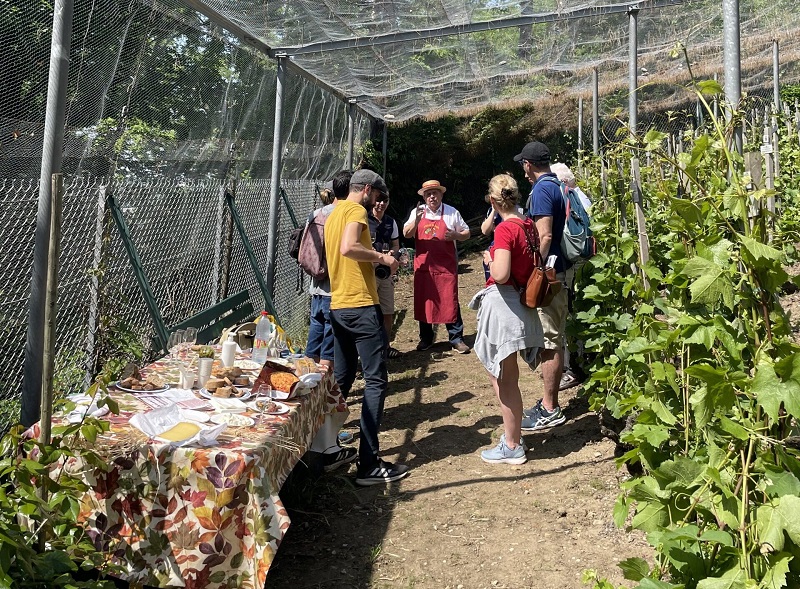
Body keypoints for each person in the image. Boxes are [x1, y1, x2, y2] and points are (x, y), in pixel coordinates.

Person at [324, 168, 409, 486]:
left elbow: (340, 254)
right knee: (375, 381)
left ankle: (326, 447)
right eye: (378, 194)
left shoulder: (335, 211)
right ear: (367, 190)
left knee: (342, 380)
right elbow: (348, 248)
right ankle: (369, 464)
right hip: (360, 307)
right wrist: (381, 258)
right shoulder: (357, 210)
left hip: (339, 306)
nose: (379, 201)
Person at [469, 174, 543, 464]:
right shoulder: (528, 225)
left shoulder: (504, 230)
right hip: (524, 301)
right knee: (509, 377)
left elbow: (500, 274)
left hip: (504, 304)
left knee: (503, 378)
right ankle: (513, 438)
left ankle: (512, 445)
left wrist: (489, 260)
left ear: (492, 200)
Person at [305, 170, 359, 472]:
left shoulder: (317, 213)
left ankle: (312, 421)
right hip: (334, 292)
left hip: (315, 289)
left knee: (312, 357)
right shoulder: (344, 215)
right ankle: (324, 427)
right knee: (329, 360)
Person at [514, 141, 569, 431]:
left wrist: (533, 269)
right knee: (551, 336)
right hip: (560, 270)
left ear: (528, 165)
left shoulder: (541, 191)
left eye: (523, 164)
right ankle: (551, 400)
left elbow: (544, 235)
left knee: (549, 340)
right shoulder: (558, 184)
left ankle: (550, 407)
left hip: (549, 273)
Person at [403, 180, 471, 354]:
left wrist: (456, 234)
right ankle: (426, 339)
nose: (432, 196)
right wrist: (416, 221)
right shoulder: (416, 212)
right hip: (424, 268)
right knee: (425, 301)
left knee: (450, 299)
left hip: (445, 268)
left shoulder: (451, 212)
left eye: (435, 193)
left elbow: (466, 233)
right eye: (428, 194)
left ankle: (456, 338)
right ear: (424, 197)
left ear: (441, 195)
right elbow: (407, 234)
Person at [550, 162, 592, 391]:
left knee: (569, 314)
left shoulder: (569, 197)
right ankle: (578, 363)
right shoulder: (583, 197)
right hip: (585, 260)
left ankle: (572, 368)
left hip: (572, 262)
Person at [368, 192, 402, 358]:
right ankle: (371, 350)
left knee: (387, 311)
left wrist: (392, 254)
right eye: (378, 200)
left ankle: (386, 347)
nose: (380, 204)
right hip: (369, 271)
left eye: (384, 201)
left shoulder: (391, 222)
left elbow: (396, 245)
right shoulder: (364, 219)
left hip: (386, 272)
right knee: (369, 311)